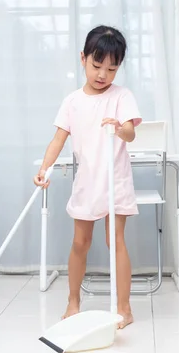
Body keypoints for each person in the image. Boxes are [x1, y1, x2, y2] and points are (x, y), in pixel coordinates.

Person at [34, 25, 142, 329]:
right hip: (87, 181)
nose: (103, 74)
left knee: (115, 241)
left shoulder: (122, 96)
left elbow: (131, 133)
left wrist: (119, 127)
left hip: (115, 180)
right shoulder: (72, 102)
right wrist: (44, 169)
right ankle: (73, 301)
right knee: (80, 242)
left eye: (111, 68)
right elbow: (58, 140)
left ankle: (124, 308)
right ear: (83, 58)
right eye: (97, 65)